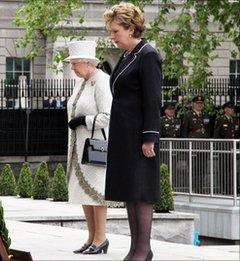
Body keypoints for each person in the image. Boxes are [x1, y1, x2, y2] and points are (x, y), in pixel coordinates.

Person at [103, 3, 162, 261]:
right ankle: (137, 249)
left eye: (116, 31)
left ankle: (142, 249)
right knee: (130, 191)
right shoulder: (128, 55)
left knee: (142, 192)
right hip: (124, 137)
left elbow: (153, 98)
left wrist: (150, 136)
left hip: (139, 137)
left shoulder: (147, 54)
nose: (113, 36)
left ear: (130, 28)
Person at [64, 40, 113, 255]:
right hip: (77, 146)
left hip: (95, 146)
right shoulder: (81, 82)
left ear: (86, 62)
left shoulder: (102, 81)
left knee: (96, 193)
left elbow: (108, 116)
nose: (72, 68)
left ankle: (101, 238)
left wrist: (84, 120)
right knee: (83, 193)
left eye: (74, 63)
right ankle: (91, 237)